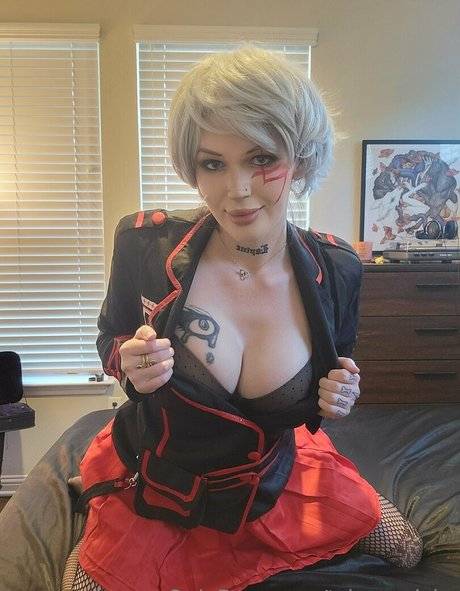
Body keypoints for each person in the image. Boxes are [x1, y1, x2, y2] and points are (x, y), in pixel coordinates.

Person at [62, 46, 422, 591]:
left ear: (301, 159)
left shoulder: (338, 268)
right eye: (213, 163)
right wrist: (127, 363)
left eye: (261, 159)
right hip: (161, 478)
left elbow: (337, 365)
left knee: (406, 550)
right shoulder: (144, 245)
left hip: (274, 476)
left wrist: (342, 393)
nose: (237, 190)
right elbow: (110, 336)